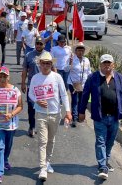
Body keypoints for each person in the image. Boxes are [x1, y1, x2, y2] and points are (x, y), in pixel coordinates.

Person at [79, 54, 122, 180]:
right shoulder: (93, 78)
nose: (107, 65)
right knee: (100, 141)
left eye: (109, 63)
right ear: (100, 65)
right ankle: (102, 167)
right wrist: (81, 111)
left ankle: (105, 160)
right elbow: (85, 95)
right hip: (100, 117)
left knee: (110, 142)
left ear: (113, 65)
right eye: (104, 63)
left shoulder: (120, 78)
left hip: (115, 117)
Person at [28, 52, 71, 181]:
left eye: (48, 63)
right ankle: (42, 168)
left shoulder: (57, 77)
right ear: (39, 64)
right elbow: (30, 93)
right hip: (40, 113)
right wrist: (37, 100)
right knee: (42, 141)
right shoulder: (36, 77)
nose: (46, 65)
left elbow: (64, 95)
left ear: (51, 64)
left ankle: (47, 162)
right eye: (43, 63)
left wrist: (67, 112)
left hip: (55, 113)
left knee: (51, 140)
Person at [21, 37, 48, 137]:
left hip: (44, 87)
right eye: (37, 43)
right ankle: (31, 126)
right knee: (31, 107)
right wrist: (23, 83)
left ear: (44, 45)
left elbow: (53, 69)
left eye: (41, 44)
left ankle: (42, 127)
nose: (39, 45)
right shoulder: (29, 55)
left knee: (43, 108)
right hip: (32, 86)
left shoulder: (47, 55)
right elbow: (24, 70)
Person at [64, 42, 92, 127]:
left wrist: (91, 80)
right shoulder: (71, 59)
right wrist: (70, 64)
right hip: (73, 83)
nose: (80, 52)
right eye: (78, 50)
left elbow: (89, 71)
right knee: (75, 101)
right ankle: (74, 118)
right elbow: (65, 69)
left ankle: (80, 115)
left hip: (83, 84)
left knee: (82, 100)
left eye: (82, 50)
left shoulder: (86, 60)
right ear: (75, 51)